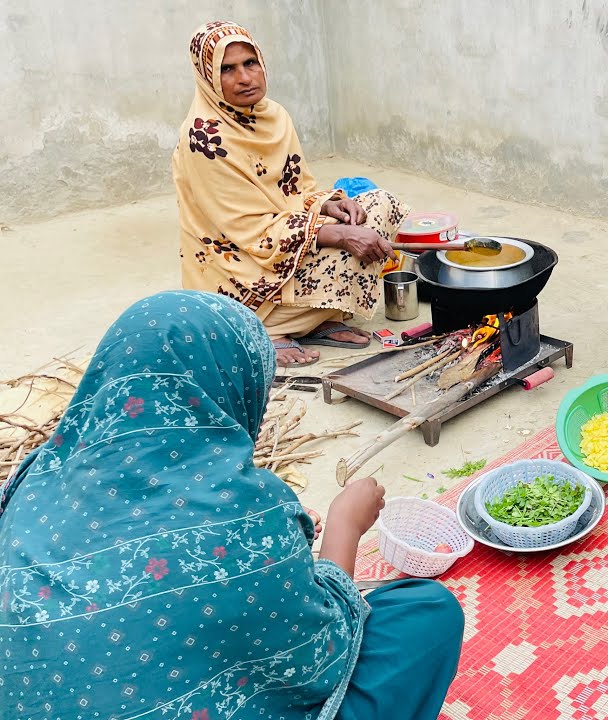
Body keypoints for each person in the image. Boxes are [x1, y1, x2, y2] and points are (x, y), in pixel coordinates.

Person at [0, 291, 462, 720]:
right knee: (426, 613)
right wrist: (345, 525)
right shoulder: (247, 519)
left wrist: (273, 541)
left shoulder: (34, 481)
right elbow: (318, 658)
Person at [173, 21, 408, 368]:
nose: (245, 78)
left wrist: (330, 204)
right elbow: (254, 231)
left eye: (250, 63)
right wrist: (340, 234)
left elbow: (296, 192)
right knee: (351, 240)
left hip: (285, 241)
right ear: (207, 78)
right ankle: (266, 328)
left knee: (377, 206)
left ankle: (312, 320)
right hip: (240, 269)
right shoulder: (204, 139)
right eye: (227, 69)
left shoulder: (274, 116)